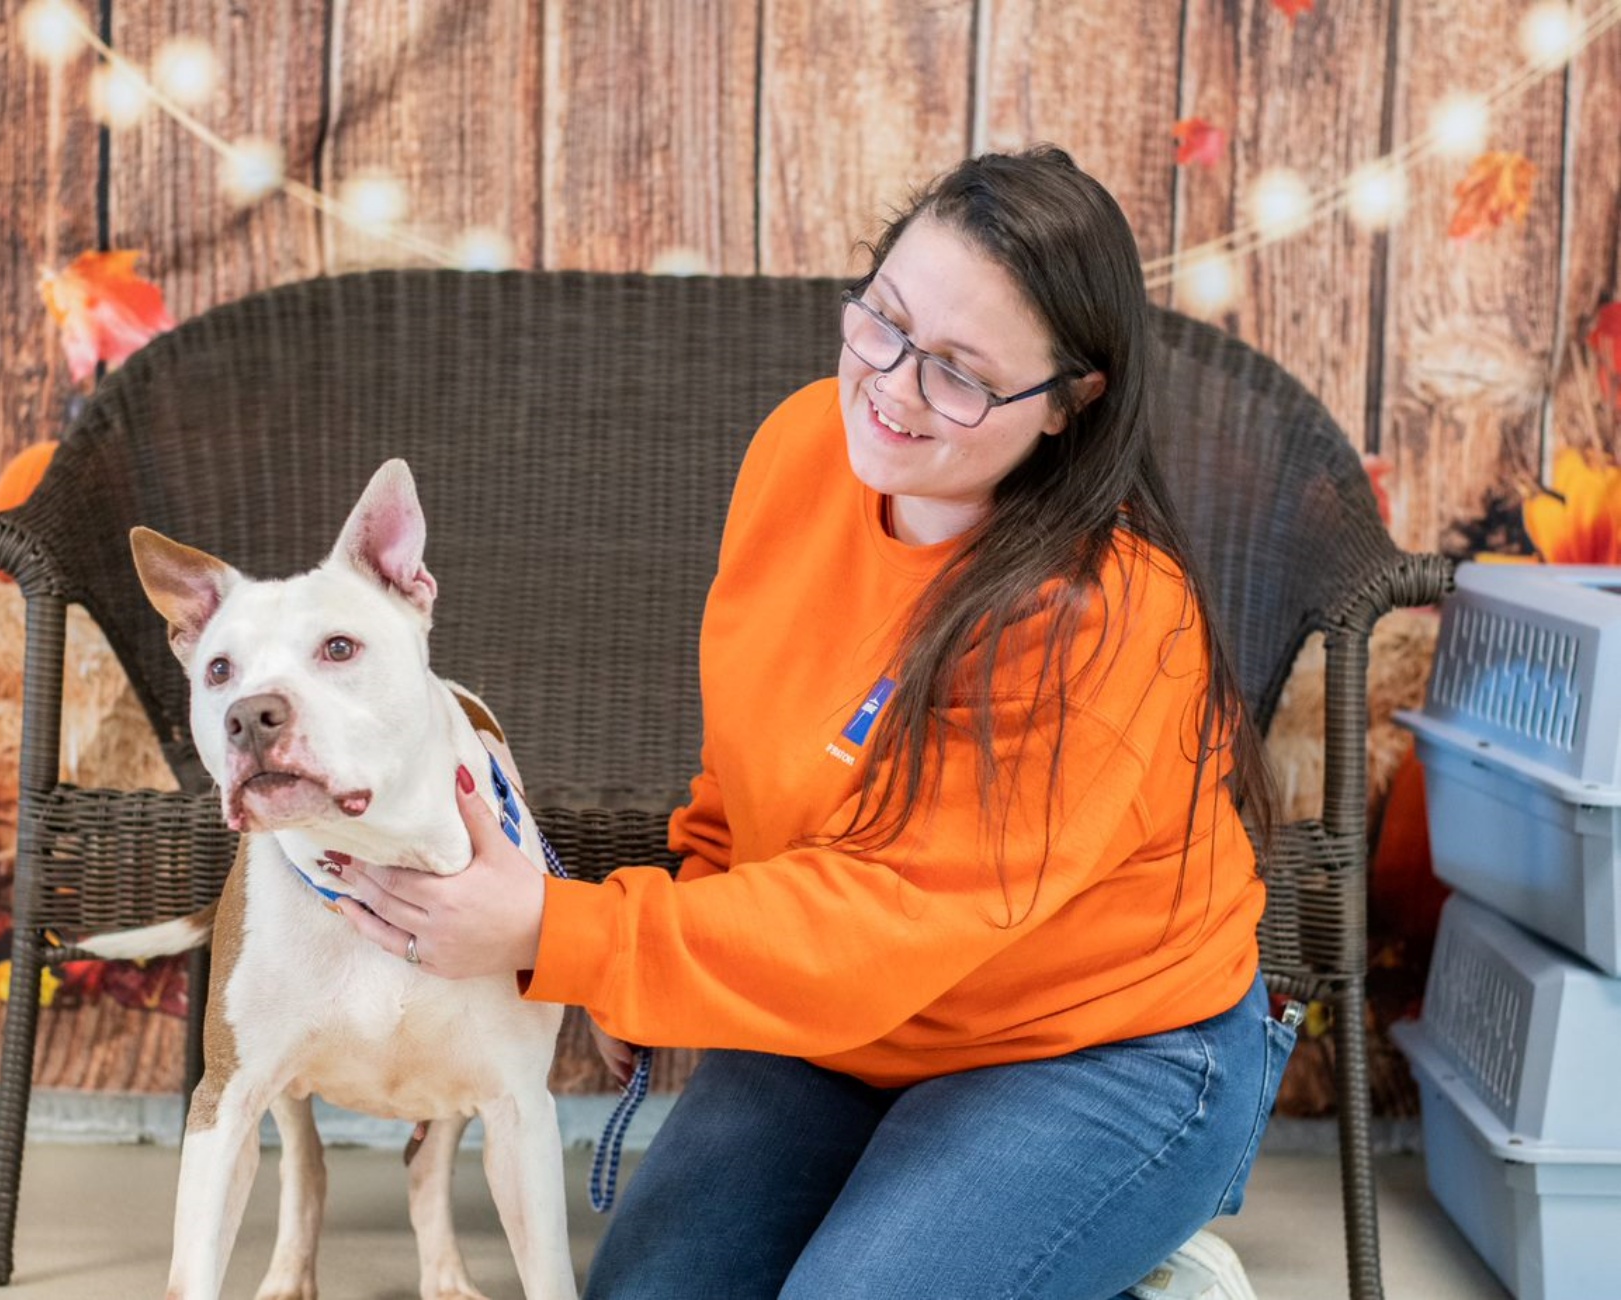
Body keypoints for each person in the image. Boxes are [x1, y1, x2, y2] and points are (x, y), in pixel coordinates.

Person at [331, 145, 1296, 1300]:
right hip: (843, 1030)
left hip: (1098, 1046)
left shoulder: (1104, 615)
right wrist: (680, 910)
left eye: (956, 373)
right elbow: (750, 753)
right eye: (880, 319)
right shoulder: (804, 446)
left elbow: (891, 917)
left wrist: (571, 931)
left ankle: (1125, 1253)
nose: (888, 385)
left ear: (1068, 403)